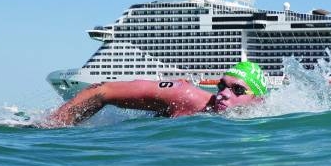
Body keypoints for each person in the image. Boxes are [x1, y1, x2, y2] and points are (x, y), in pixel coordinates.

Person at [44, 61, 268, 127]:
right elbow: (102, 91)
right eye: (222, 86)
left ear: (258, 100)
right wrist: (51, 127)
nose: (223, 94)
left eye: (237, 89)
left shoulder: (267, 123)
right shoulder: (184, 95)